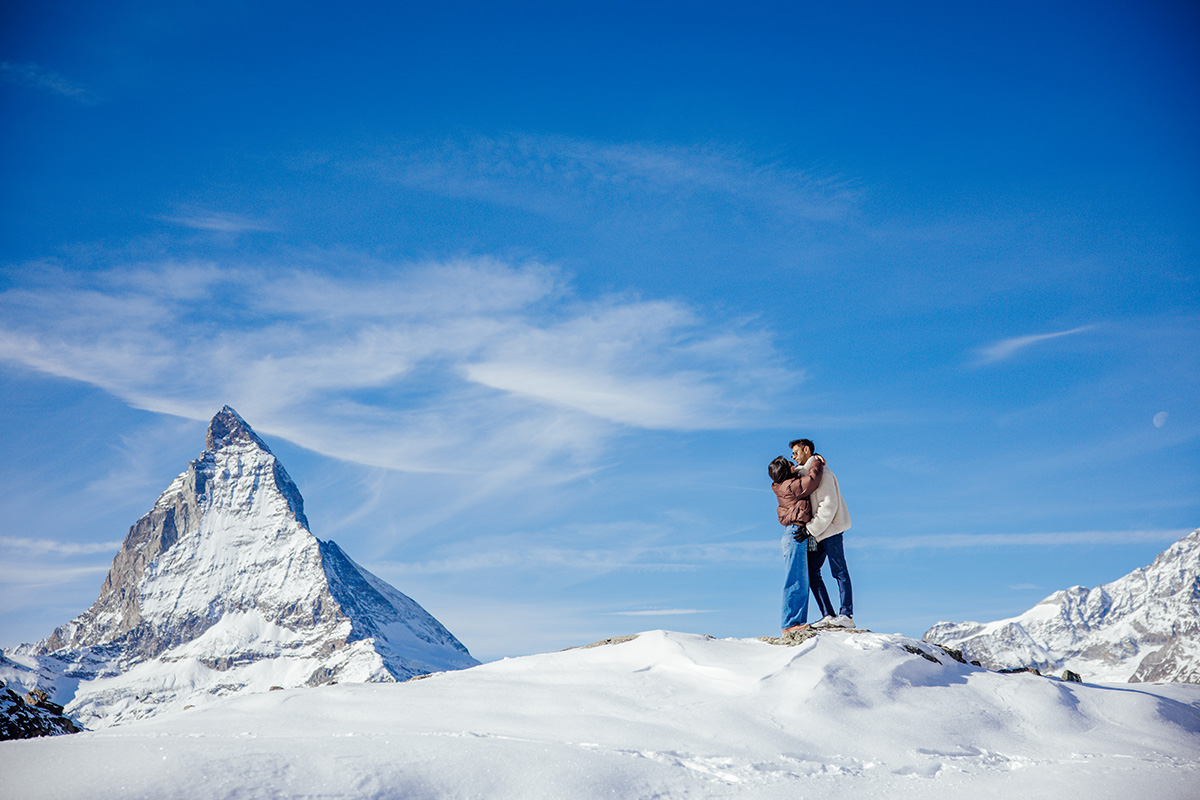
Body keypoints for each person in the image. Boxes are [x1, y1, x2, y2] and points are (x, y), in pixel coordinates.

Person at [790, 439, 854, 629]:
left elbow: (829, 506)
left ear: (806, 450)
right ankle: (827, 613)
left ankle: (846, 615)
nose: (793, 457)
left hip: (831, 529)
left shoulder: (824, 474)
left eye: (796, 452)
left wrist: (809, 529)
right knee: (811, 571)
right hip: (818, 533)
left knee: (839, 571)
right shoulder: (809, 473)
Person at [769, 455, 826, 634]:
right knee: (796, 581)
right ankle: (790, 624)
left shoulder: (784, 484)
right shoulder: (791, 486)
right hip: (796, 535)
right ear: (786, 470)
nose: (793, 464)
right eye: (789, 463)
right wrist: (815, 460)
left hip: (798, 535)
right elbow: (813, 480)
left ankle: (797, 621)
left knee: (803, 579)